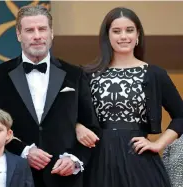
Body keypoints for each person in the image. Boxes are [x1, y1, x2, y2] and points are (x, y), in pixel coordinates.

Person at [0, 5, 100, 187]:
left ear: (51, 33)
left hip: (64, 180)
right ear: (19, 35)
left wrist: (74, 159)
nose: (37, 36)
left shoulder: (75, 75)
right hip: (14, 176)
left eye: (42, 29)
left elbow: (92, 128)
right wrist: (23, 151)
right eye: (29, 30)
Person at [76, 7, 183, 187]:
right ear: (107, 36)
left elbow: (181, 116)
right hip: (97, 159)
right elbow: (66, 112)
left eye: (129, 30)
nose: (123, 36)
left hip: (139, 160)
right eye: (116, 31)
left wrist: (158, 144)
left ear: (138, 35)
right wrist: (78, 127)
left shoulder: (154, 74)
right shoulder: (87, 75)